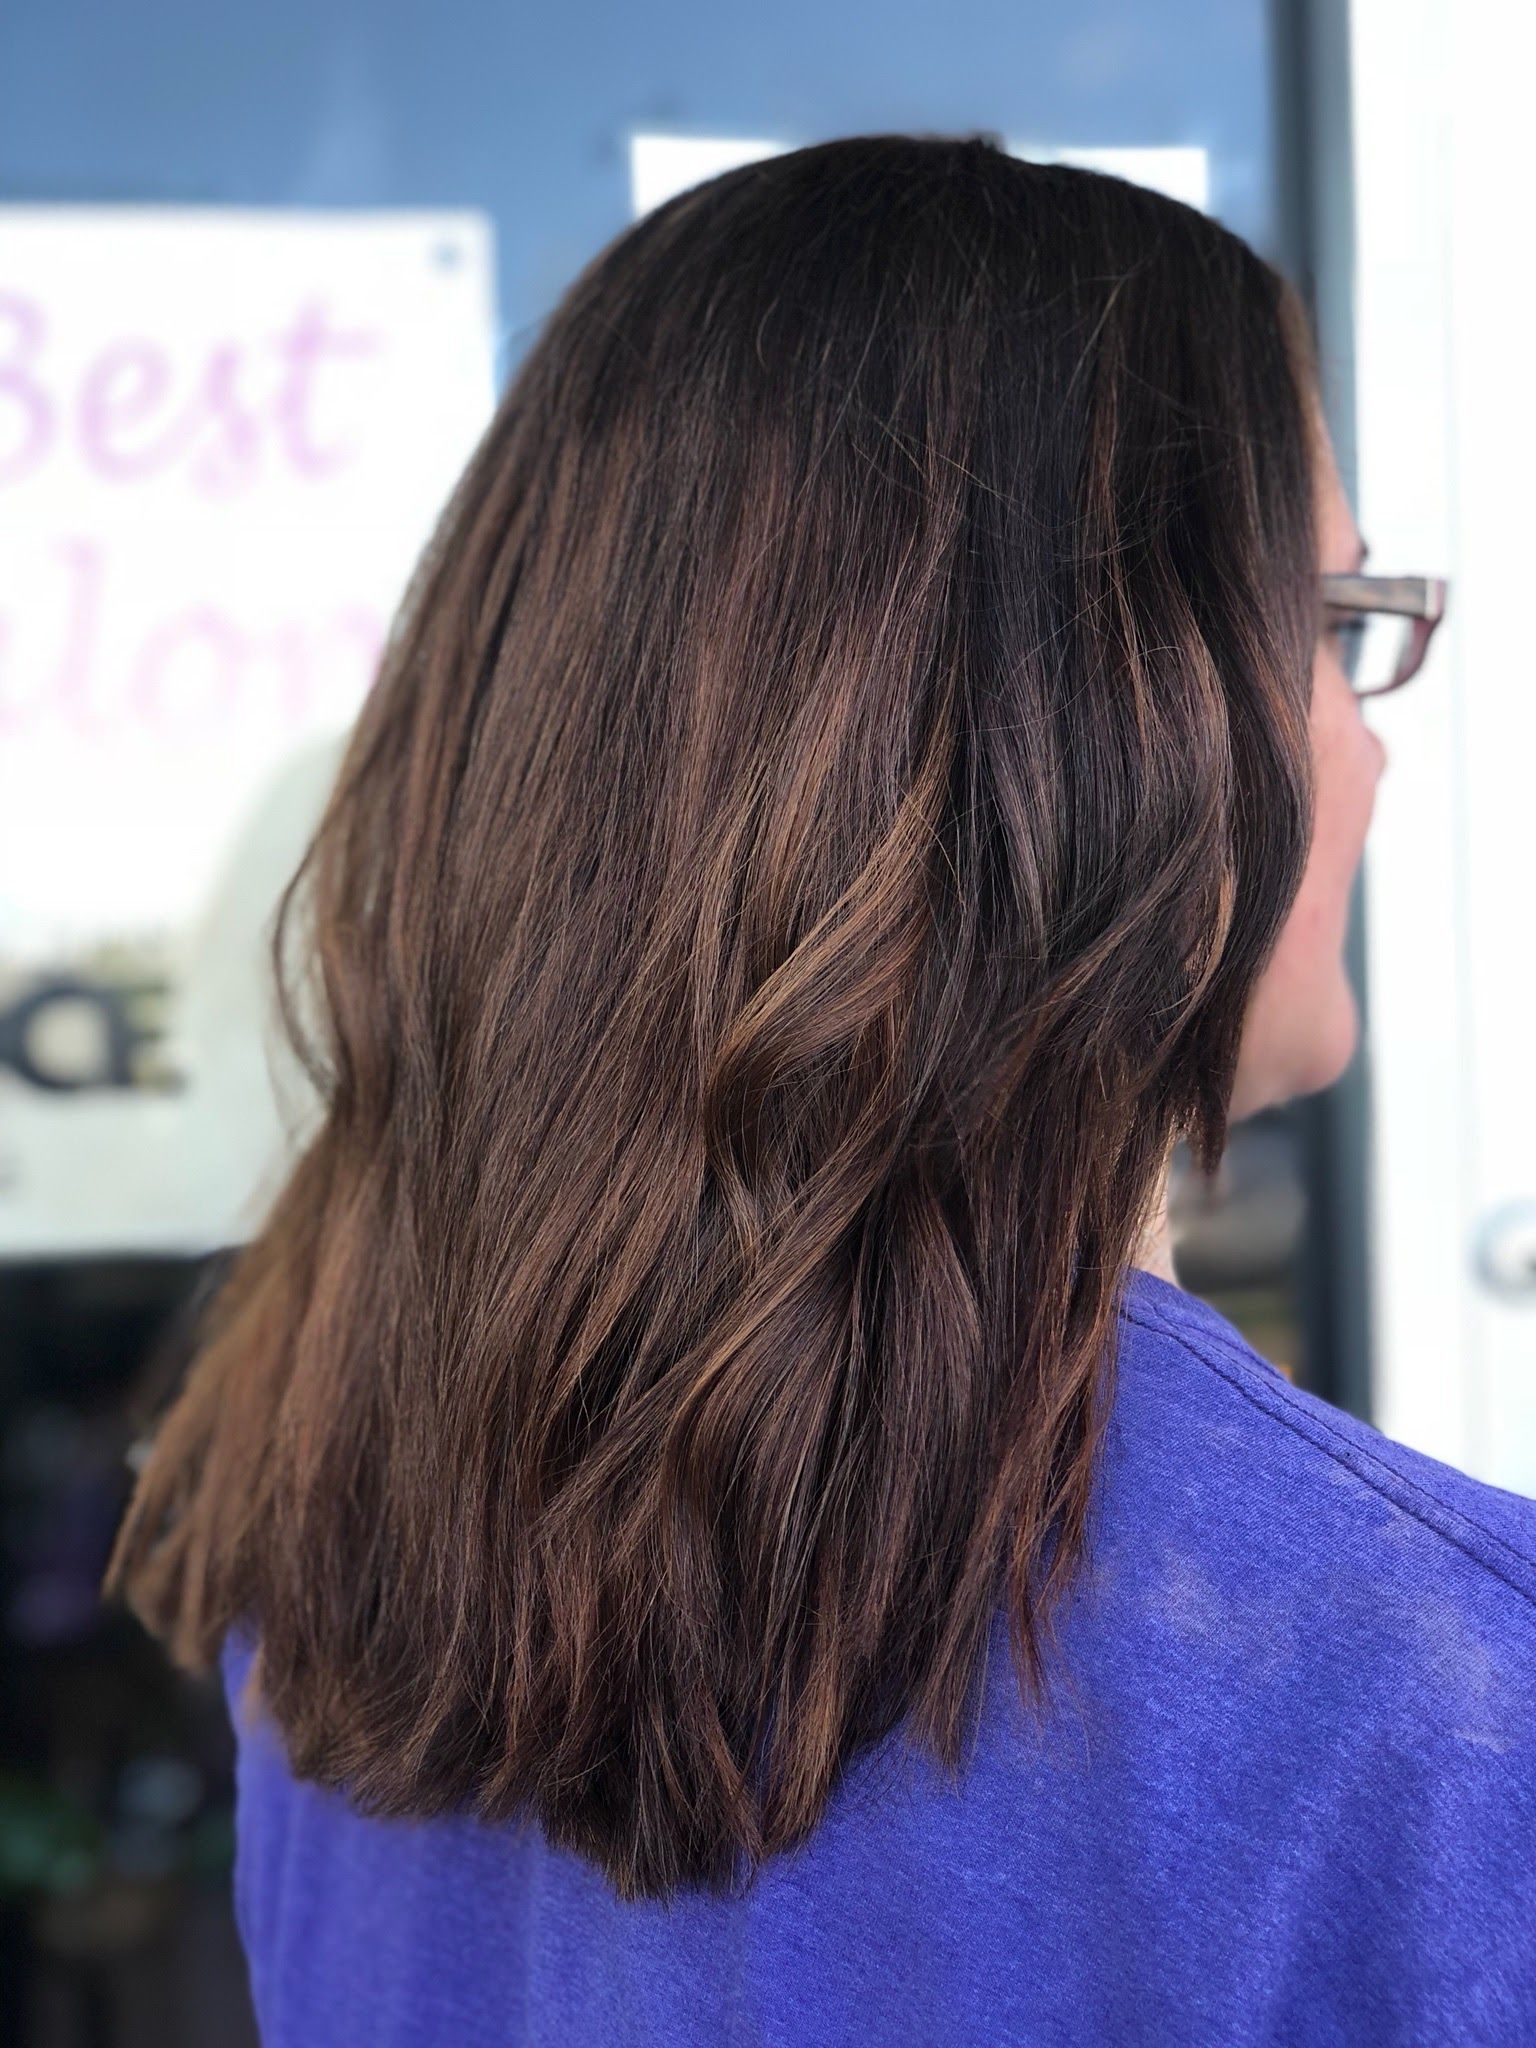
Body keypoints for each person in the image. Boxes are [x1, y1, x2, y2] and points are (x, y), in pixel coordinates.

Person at [102, 133, 1533, 2044]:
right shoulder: (1428, 1706)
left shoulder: (338, 1526)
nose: (1367, 748)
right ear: (1108, 714)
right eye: (1335, 624)